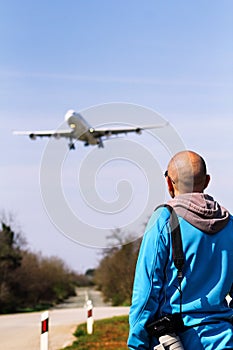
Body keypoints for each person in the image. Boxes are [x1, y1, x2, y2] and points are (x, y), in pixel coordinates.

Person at [128, 150, 233, 349]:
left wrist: (137, 343)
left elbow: (147, 291)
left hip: (178, 340)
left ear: (169, 183)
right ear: (207, 181)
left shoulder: (164, 220)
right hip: (225, 339)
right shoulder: (230, 225)